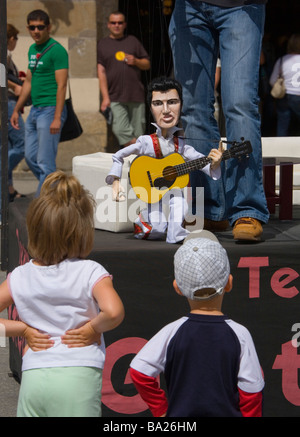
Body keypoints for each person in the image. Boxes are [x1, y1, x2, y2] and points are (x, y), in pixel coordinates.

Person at [0, 171, 125, 417]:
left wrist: (22, 330)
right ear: (81, 231)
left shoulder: (19, 276)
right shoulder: (91, 272)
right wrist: (92, 329)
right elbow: (114, 312)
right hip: (79, 375)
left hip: (34, 376)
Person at [129, 235, 265, 417]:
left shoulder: (171, 332)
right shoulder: (240, 334)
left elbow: (139, 371)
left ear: (177, 288)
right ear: (229, 283)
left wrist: (161, 410)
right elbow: (252, 392)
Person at [168, 0, 270, 242]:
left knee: (240, 105)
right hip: (188, 8)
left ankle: (246, 209)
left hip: (241, 7)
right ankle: (209, 208)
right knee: (192, 110)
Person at [105, 77, 223, 243]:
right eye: (158, 103)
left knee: (181, 203)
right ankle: (143, 219)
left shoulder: (181, 145)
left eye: (172, 102)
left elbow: (199, 159)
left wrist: (214, 162)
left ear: (181, 104)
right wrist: (116, 180)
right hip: (151, 189)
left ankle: (176, 234)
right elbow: (118, 155)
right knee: (157, 230)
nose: (166, 110)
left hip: (172, 190)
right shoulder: (145, 141)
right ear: (151, 108)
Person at [10, 9, 68, 195]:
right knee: (30, 157)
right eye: (32, 27)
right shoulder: (32, 49)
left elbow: (61, 86)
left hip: (51, 110)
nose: (36, 31)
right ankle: (57, 187)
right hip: (35, 110)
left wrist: (57, 117)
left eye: (40, 27)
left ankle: (42, 202)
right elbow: (28, 81)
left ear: (48, 28)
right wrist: (16, 109)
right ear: (28, 28)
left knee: (44, 161)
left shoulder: (57, 50)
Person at [97, 11, 150, 148]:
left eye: (120, 22)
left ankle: (136, 164)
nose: (117, 25)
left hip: (136, 95)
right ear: (108, 25)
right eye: (113, 23)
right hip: (115, 96)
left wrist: (136, 61)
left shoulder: (132, 41)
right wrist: (105, 97)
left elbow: (147, 64)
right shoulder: (103, 44)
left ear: (124, 25)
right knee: (121, 130)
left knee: (139, 134)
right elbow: (101, 72)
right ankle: (140, 150)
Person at [1, 24, 26, 203]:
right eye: (15, 39)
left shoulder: (6, 55)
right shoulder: (3, 54)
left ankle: (8, 187)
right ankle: (2, 176)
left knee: (8, 147)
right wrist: (15, 85)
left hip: (9, 102)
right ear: (11, 38)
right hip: (7, 103)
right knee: (21, 144)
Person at [269, 33, 300, 136]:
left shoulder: (283, 60)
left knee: (282, 126)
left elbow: (272, 80)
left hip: (285, 96)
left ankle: (280, 149)